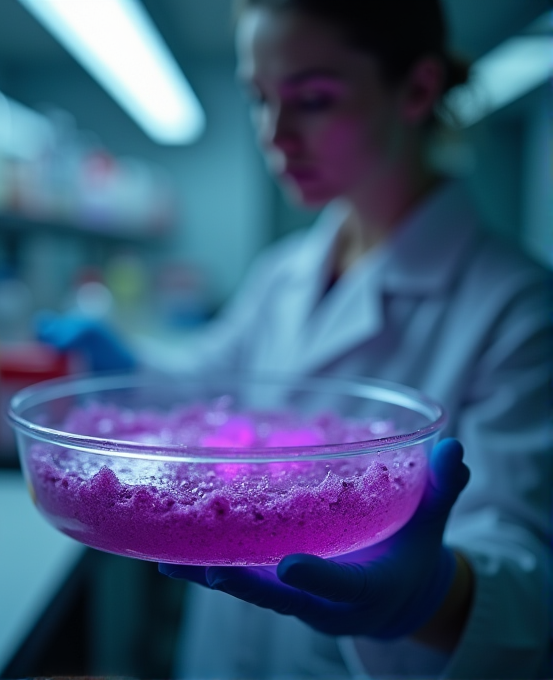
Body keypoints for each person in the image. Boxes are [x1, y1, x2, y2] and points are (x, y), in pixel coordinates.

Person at [38, 0, 553, 677]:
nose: (275, 135)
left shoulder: (517, 308)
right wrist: (128, 366)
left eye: (312, 99)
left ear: (418, 90)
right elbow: (211, 390)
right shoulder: (285, 271)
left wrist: (427, 598)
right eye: (259, 99)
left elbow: (530, 580)